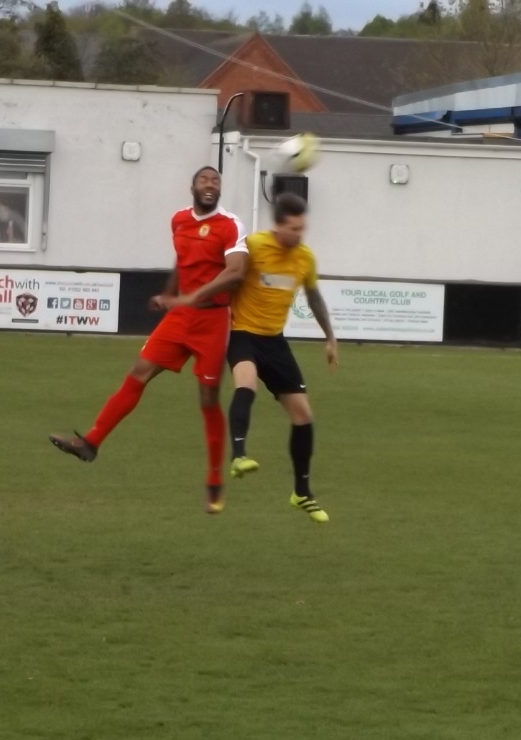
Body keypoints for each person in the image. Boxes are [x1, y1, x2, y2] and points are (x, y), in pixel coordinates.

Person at [49, 167, 246, 514]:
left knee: (208, 398)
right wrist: (170, 294)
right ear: (192, 187)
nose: (210, 184)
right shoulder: (179, 220)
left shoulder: (231, 224)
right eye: (204, 179)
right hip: (180, 316)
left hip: (213, 320)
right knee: (138, 373)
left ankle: (215, 481)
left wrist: (193, 296)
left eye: (216, 180)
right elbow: (183, 262)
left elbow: (236, 272)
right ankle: (90, 442)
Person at [226, 192, 338, 523]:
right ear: (277, 226)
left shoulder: (305, 257)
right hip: (242, 333)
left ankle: (302, 493)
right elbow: (228, 276)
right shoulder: (254, 246)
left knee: (303, 415)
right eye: (293, 229)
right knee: (246, 384)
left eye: (302, 228)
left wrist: (330, 337)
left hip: (274, 341)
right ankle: (238, 455)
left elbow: (314, 297)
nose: (299, 235)